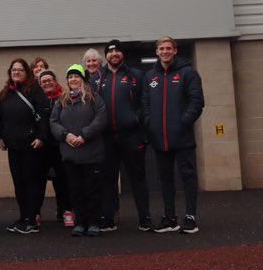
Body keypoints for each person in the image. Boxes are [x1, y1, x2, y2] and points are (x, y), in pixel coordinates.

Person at [141, 37, 204, 234]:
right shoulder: (150, 76)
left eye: (169, 48)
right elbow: (145, 105)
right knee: (165, 178)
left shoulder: (188, 73)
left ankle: (190, 217)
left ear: (175, 51)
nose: (165, 51)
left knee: (188, 176)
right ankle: (170, 218)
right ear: (157, 52)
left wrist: (181, 123)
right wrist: (150, 123)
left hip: (182, 137)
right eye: (162, 48)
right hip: (160, 139)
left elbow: (196, 103)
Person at [99, 40, 152, 231]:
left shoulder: (137, 75)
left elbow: (145, 102)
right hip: (106, 138)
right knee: (108, 180)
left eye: (118, 51)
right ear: (106, 56)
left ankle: (144, 217)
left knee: (138, 177)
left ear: (123, 54)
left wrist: (135, 119)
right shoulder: (97, 77)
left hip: (131, 135)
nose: (114, 54)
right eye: (110, 52)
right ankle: (107, 219)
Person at [50, 64, 107, 236]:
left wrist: (84, 135)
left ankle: (93, 223)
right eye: (70, 77)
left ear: (83, 79)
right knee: (75, 190)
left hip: (92, 154)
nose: (73, 79)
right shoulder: (62, 100)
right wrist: (65, 135)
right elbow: (53, 122)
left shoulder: (95, 98)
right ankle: (80, 222)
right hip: (70, 155)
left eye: (76, 76)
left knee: (92, 190)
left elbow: (100, 119)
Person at [0, 58, 51, 234]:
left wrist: (42, 137)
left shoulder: (35, 90)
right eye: (14, 70)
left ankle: (31, 219)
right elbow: (1, 118)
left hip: (32, 145)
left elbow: (44, 113)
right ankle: (23, 217)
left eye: (20, 70)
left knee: (32, 183)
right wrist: (0, 136)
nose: (16, 72)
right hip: (13, 146)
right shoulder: (6, 93)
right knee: (19, 183)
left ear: (27, 72)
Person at [37, 69, 71, 225]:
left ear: (56, 81)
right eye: (43, 81)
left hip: (60, 145)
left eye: (50, 80)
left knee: (63, 181)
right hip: (41, 146)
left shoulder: (65, 97)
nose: (47, 83)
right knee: (38, 182)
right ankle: (35, 212)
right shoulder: (36, 99)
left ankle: (65, 211)